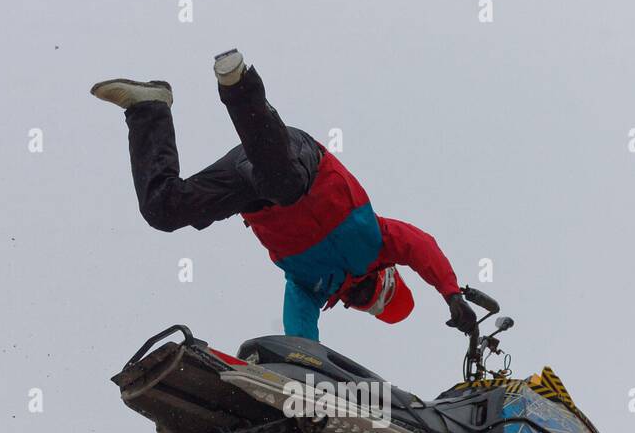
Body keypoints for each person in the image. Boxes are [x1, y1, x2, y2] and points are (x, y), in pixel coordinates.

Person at [90, 49, 477, 342]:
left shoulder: (308, 287)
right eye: (374, 292)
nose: (361, 294)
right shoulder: (381, 242)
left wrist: (306, 381)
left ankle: (148, 108)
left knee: (164, 210)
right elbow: (421, 247)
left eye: (364, 304)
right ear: (386, 275)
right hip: (299, 162)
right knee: (283, 184)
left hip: (251, 189)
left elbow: (301, 342)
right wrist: (451, 294)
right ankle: (239, 84)